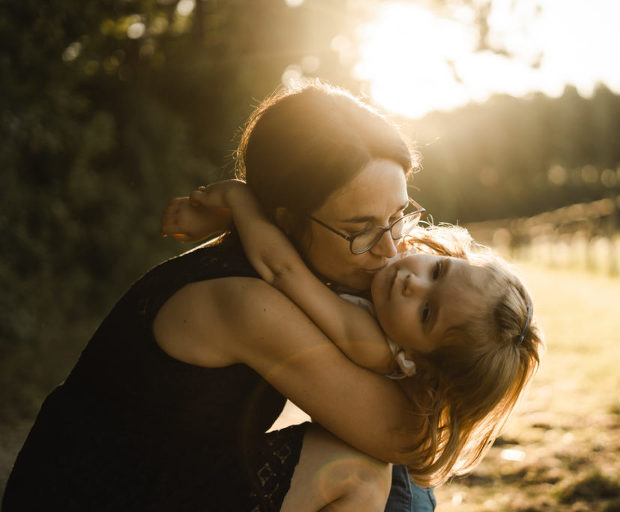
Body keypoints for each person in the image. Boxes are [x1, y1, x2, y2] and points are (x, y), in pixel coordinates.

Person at [2, 82, 438, 512]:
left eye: (398, 217)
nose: (391, 249)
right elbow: (402, 436)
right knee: (359, 470)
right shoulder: (246, 301)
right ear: (285, 223)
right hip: (94, 498)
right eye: (359, 229)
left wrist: (240, 205)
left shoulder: (291, 261)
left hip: (160, 480)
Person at [163, 179, 543, 486]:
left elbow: (285, 271)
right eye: (438, 270)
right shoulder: (393, 266)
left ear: (413, 360)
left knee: (372, 482)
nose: (413, 280)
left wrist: (238, 201)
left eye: (427, 313)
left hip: (186, 438)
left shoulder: (372, 344)